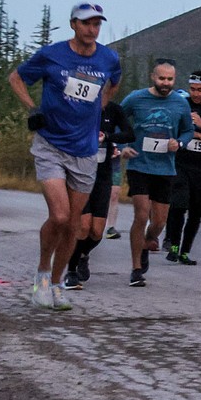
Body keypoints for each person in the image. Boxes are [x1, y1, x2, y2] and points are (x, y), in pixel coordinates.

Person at [9, 2, 122, 311]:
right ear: (74, 24)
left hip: (85, 150)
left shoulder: (108, 58)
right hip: (50, 145)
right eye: (86, 23)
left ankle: (57, 284)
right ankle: (42, 275)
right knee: (59, 215)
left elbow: (114, 81)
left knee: (73, 224)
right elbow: (16, 78)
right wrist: (32, 108)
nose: (92, 29)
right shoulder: (52, 54)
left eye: (97, 24)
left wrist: (100, 106)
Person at [119, 60, 195, 287]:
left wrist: (179, 144)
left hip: (165, 168)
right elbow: (115, 119)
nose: (166, 83)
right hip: (139, 165)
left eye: (170, 79)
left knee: (159, 222)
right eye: (162, 78)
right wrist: (121, 146)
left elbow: (189, 130)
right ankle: (135, 269)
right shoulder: (136, 98)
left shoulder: (180, 104)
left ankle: (147, 241)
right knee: (141, 215)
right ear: (153, 76)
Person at [63, 99, 133, 289]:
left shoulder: (113, 109)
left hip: (102, 175)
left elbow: (130, 133)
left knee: (96, 231)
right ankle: (70, 272)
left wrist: (108, 137)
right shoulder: (78, 106)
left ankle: (83, 255)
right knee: (83, 227)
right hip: (79, 173)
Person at [164, 71, 201, 266]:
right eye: (192, 89)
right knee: (179, 205)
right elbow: (173, 129)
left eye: (200, 90)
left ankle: (185, 251)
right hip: (181, 163)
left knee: (196, 212)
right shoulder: (183, 104)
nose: (195, 94)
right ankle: (172, 245)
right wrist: (198, 135)